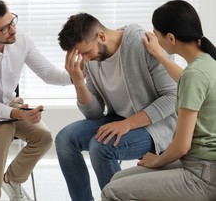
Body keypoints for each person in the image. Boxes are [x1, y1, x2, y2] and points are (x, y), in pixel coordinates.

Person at [0, 0, 72, 200]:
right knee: (4, 128)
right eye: (4, 28)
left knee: (43, 138)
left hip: (10, 107)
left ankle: (11, 180)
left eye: (13, 22)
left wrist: (77, 75)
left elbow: (48, 74)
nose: (13, 30)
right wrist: (19, 115)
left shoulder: (21, 40)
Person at [55, 12, 178, 201]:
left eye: (87, 52)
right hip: (120, 119)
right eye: (81, 55)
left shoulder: (141, 43)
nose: (85, 59)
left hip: (157, 125)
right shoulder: (91, 60)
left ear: (101, 36)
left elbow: (173, 96)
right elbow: (94, 114)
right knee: (65, 139)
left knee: (101, 147)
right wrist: (79, 83)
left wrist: (128, 123)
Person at [101, 0, 216, 201]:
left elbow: (181, 145)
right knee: (117, 178)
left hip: (202, 174)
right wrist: (159, 54)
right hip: (201, 165)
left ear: (170, 37)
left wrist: (158, 161)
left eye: (156, 33)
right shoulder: (207, 63)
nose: (153, 37)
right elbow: (186, 80)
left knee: (111, 192)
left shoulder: (194, 75)